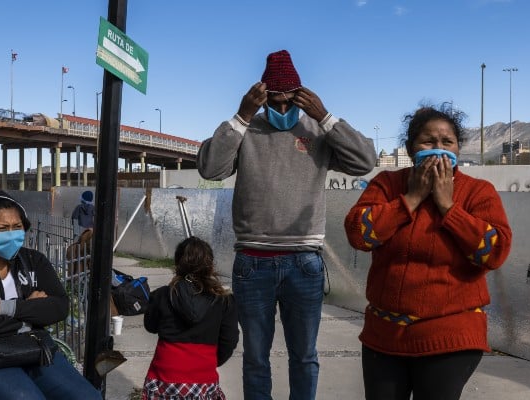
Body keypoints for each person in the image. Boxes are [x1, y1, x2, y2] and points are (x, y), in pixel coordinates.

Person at [197, 49, 376, 399]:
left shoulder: (316, 130)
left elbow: (364, 161)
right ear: (261, 100)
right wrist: (241, 116)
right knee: (255, 359)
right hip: (252, 262)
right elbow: (210, 169)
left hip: (303, 262)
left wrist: (324, 116)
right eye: (273, 102)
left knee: (304, 356)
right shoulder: (248, 128)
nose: (281, 109)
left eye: (288, 100)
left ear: (300, 96)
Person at [343, 103, 512, 400]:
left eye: (447, 142)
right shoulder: (387, 185)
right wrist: (411, 198)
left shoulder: (478, 192)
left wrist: (448, 207)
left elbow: (494, 253)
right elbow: (360, 235)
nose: (438, 149)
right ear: (411, 148)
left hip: (450, 336)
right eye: (428, 141)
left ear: (458, 148)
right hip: (384, 336)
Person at [0, 189, 101, 400]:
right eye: (3, 228)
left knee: (87, 397)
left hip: (28, 348)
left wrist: (3, 307)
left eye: (17, 227)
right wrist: (30, 313)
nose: (11, 234)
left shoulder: (34, 261)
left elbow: (59, 307)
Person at [142, 236, 239, 400]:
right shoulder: (224, 300)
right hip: (203, 379)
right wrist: (211, 363)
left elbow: (150, 326)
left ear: (177, 263)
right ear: (210, 265)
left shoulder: (163, 294)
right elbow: (229, 341)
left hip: (164, 378)